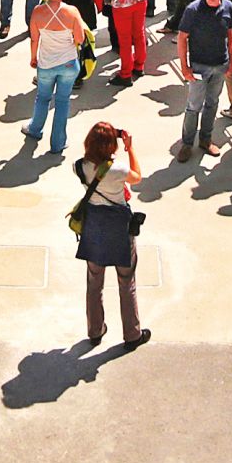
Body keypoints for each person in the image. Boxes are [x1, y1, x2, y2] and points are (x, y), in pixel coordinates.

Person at [72, 122, 149, 349]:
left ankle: (95, 330)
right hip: (119, 227)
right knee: (126, 281)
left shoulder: (78, 167)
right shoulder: (117, 170)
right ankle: (132, 334)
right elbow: (137, 177)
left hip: (94, 227)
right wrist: (130, 147)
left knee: (94, 281)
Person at [167, 0, 232, 161]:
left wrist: (231, 60)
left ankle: (206, 140)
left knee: (212, 103)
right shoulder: (193, 10)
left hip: (220, 65)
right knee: (193, 106)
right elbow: (183, 38)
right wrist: (185, 66)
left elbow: (230, 33)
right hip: (199, 66)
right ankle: (187, 144)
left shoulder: (228, 7)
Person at [23, 0, 90, 156]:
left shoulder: (38, 12)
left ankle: (35, 129)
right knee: (62, 102)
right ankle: (58, 143)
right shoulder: (72, 11)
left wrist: (33, 58)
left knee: (43, 98)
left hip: (46, 64)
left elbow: (34, 39)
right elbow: (80, 39)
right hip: (69, 63)